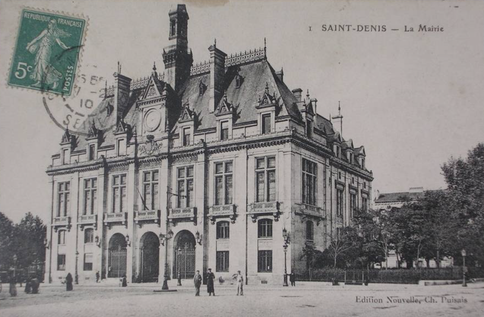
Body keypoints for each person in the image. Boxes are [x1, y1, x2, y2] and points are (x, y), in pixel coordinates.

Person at [25, 19, 72, 89]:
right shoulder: (46, 31)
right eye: (50, 23)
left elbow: (60, 43)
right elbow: (37, 38)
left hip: (46, 50)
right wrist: (29, 45)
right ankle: (39, 82)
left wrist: (66, 48)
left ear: (55, 25)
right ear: (49, 24)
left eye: (53, 24)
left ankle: (55, 79)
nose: (51, 25)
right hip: (41, 49)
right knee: (39, 65)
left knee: (44, 66)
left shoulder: (54, 33)